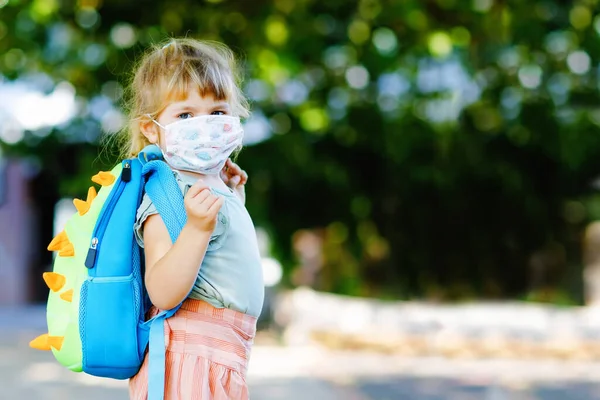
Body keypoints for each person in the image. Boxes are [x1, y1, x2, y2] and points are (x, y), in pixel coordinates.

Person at [119, 37, 265, 400]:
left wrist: (231, 198)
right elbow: (163, 290)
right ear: (152, 129)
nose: (205, 125)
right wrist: (198, 227)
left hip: (219, 359)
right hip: (188, 362)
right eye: (185, 115)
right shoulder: (166, 195)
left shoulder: (207, 187)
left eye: (217, 112)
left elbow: (221, 261)